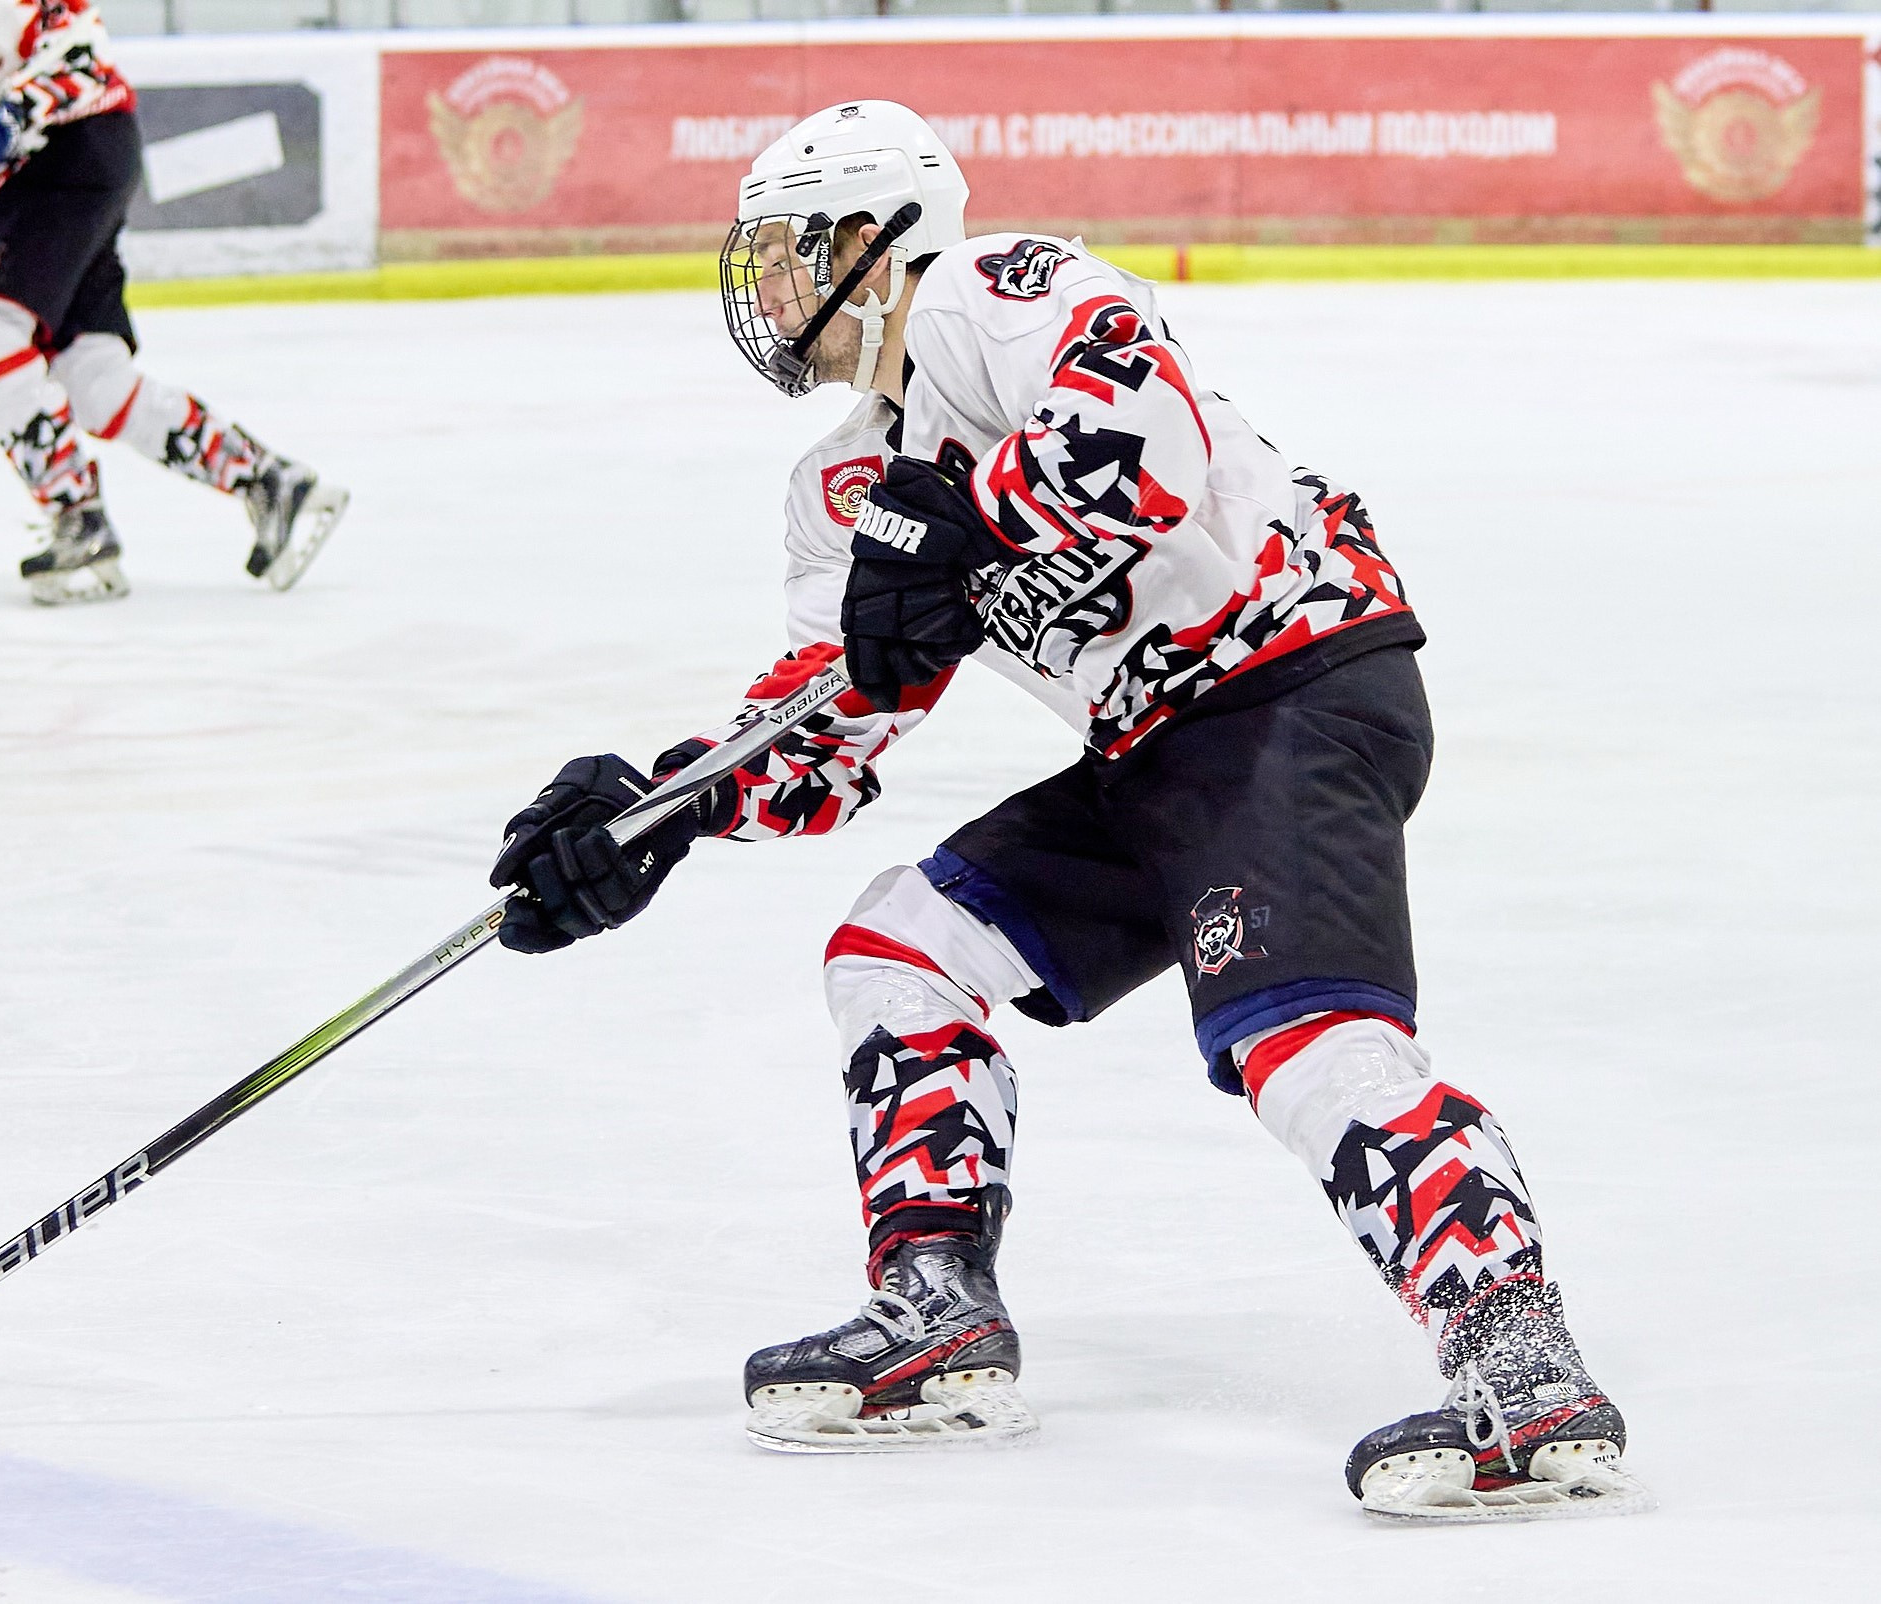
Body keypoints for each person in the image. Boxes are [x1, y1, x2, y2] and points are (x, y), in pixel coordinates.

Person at [488, 101, 1646, 1521]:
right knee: (900, 949)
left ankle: (1522, 1366)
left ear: (871, 243)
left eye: (790, 250)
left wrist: (966, 521)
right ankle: (936, 1303)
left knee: (1301, 1041)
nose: (768, 284)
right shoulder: (840, 485)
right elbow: (833, 714)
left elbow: (1145, 433)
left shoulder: (988, 292)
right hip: (1154, 749)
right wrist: (659, 810)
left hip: (1290, 681)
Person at [0, 0, 346, 604]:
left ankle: (78, 518)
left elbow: (81, 50)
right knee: (93, 381)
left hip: (74, 145)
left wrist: (14, 115)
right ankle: (269, 483)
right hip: (40, 169)